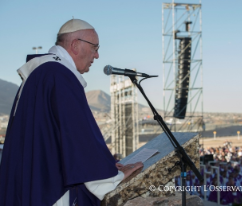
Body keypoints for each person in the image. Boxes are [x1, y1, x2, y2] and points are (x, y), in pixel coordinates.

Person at [0, 19, 143, 206]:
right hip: (51, 188)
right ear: (75, 45)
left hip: (31, 181)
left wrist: (107, 165)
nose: (97, 55)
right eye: (95, 47)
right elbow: (78, 137)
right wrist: (110, 176)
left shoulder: (42, 74)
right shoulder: (60, 76)